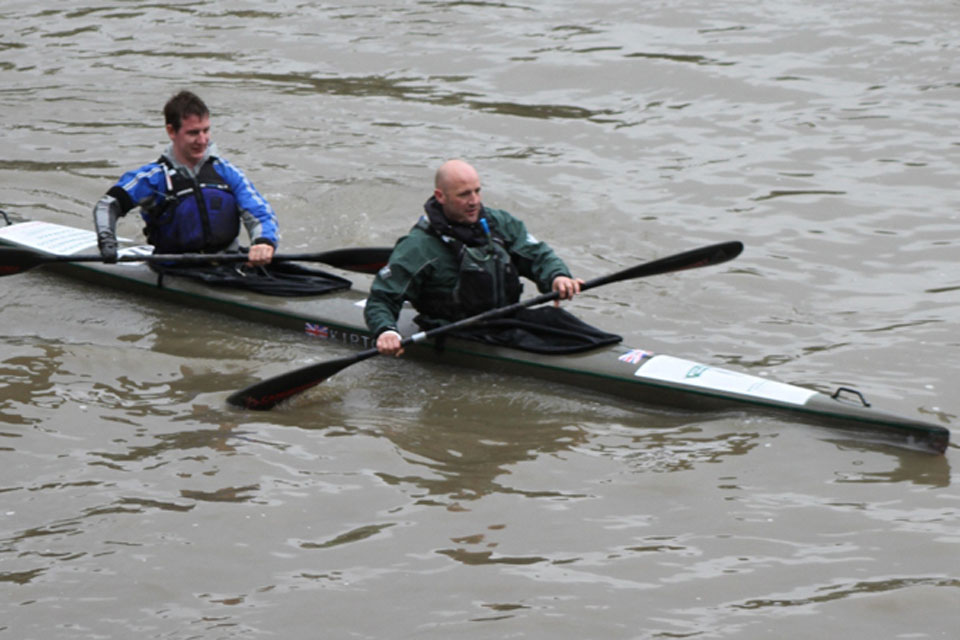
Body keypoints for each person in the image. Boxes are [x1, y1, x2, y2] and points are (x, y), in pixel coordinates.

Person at [364, 159, 586, 356]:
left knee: (562, 321)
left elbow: (537, 255)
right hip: (456, 331)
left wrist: (557, 276)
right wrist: (386, 330)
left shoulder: (499, 223)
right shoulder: (419, 247)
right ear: (441, 196)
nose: (474, 201)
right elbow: (382, 299)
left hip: (505, 321)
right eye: (464, 194)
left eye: (477, 191)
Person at [93, 90, 278, 267]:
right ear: (171, 131)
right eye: (193, 133)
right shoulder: (153, 178)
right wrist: (107, 242)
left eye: (206, 130)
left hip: (226, 263)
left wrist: (263, 242)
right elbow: (107, 205)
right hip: (173, 267)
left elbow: (260, 212)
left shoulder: (227, 172)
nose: (203, 140)